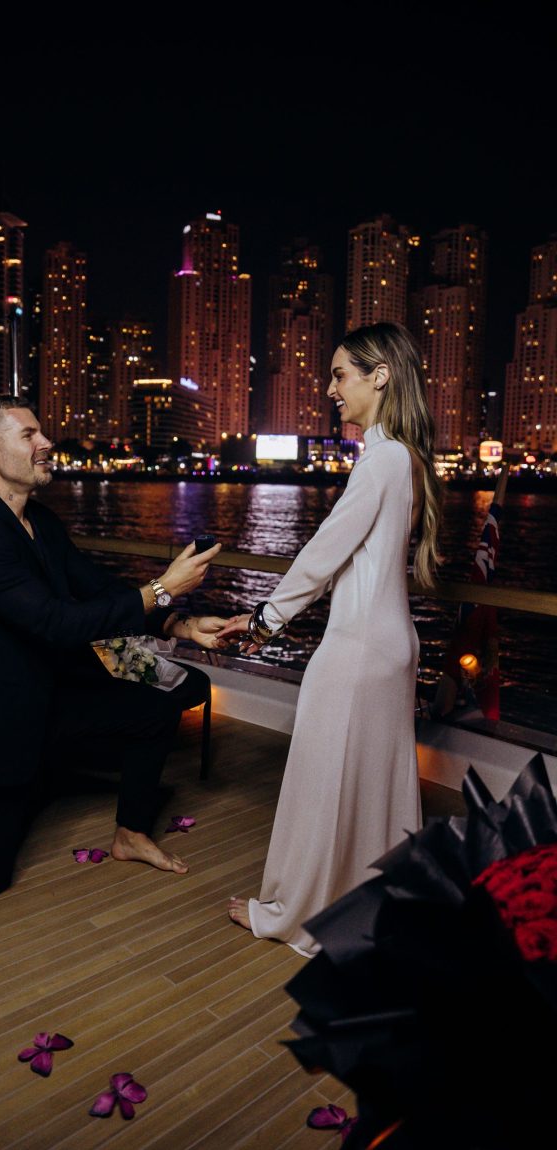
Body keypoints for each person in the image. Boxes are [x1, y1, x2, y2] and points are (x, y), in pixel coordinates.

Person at [0, 395, 225, 897]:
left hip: (53, 702)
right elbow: (56, 622)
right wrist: (163, 586)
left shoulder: (43, 522)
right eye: (29, 435)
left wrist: (179, 624)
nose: (46, 443)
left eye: (42, 433)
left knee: (157, 704)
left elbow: (94, 585)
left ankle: (131, 832)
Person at [220, 322, 442, 955]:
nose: (329, 388)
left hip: (357, 649)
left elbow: (322, 554)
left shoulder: (383, 461)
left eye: (341, 374)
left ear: (381, 376)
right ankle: (378, 913)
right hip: (394, 648)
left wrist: (265, 619)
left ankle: (290, 915)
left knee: (322, 786)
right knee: (377, 791)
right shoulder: (409, 459)